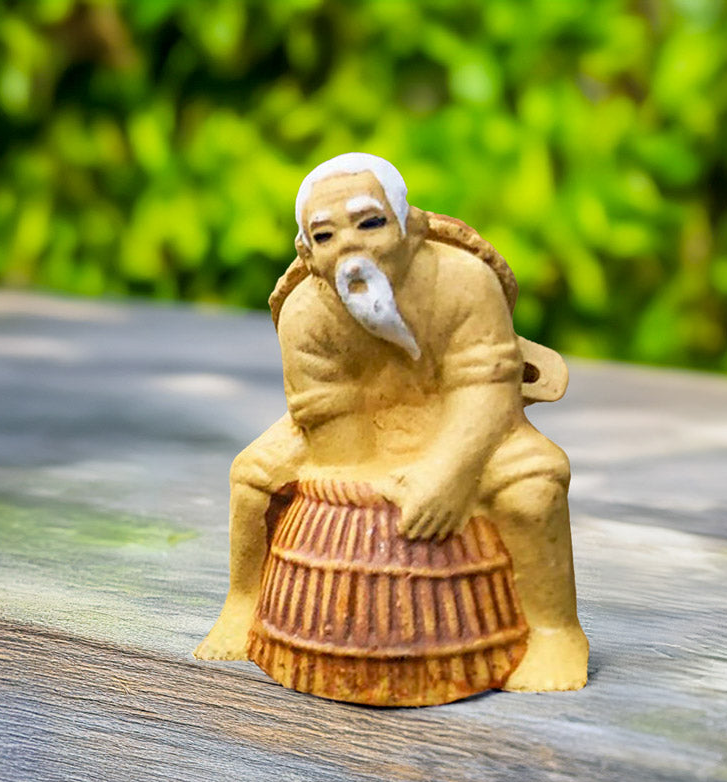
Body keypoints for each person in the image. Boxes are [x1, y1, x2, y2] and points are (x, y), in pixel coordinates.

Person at [195, 153, 588, 693]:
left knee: (536, 488)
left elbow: (485, 389)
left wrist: (449, 472)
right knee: (251, 477)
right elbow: (323, 412)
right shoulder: (305, 312)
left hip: (470, 428)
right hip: (345, 438)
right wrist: (369, 482)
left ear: (412, 228)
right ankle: (244, 604)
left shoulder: (465, 281)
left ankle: (554, 630)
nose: (350, 247)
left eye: (370, 223)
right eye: (327, 236)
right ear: (307, 254)